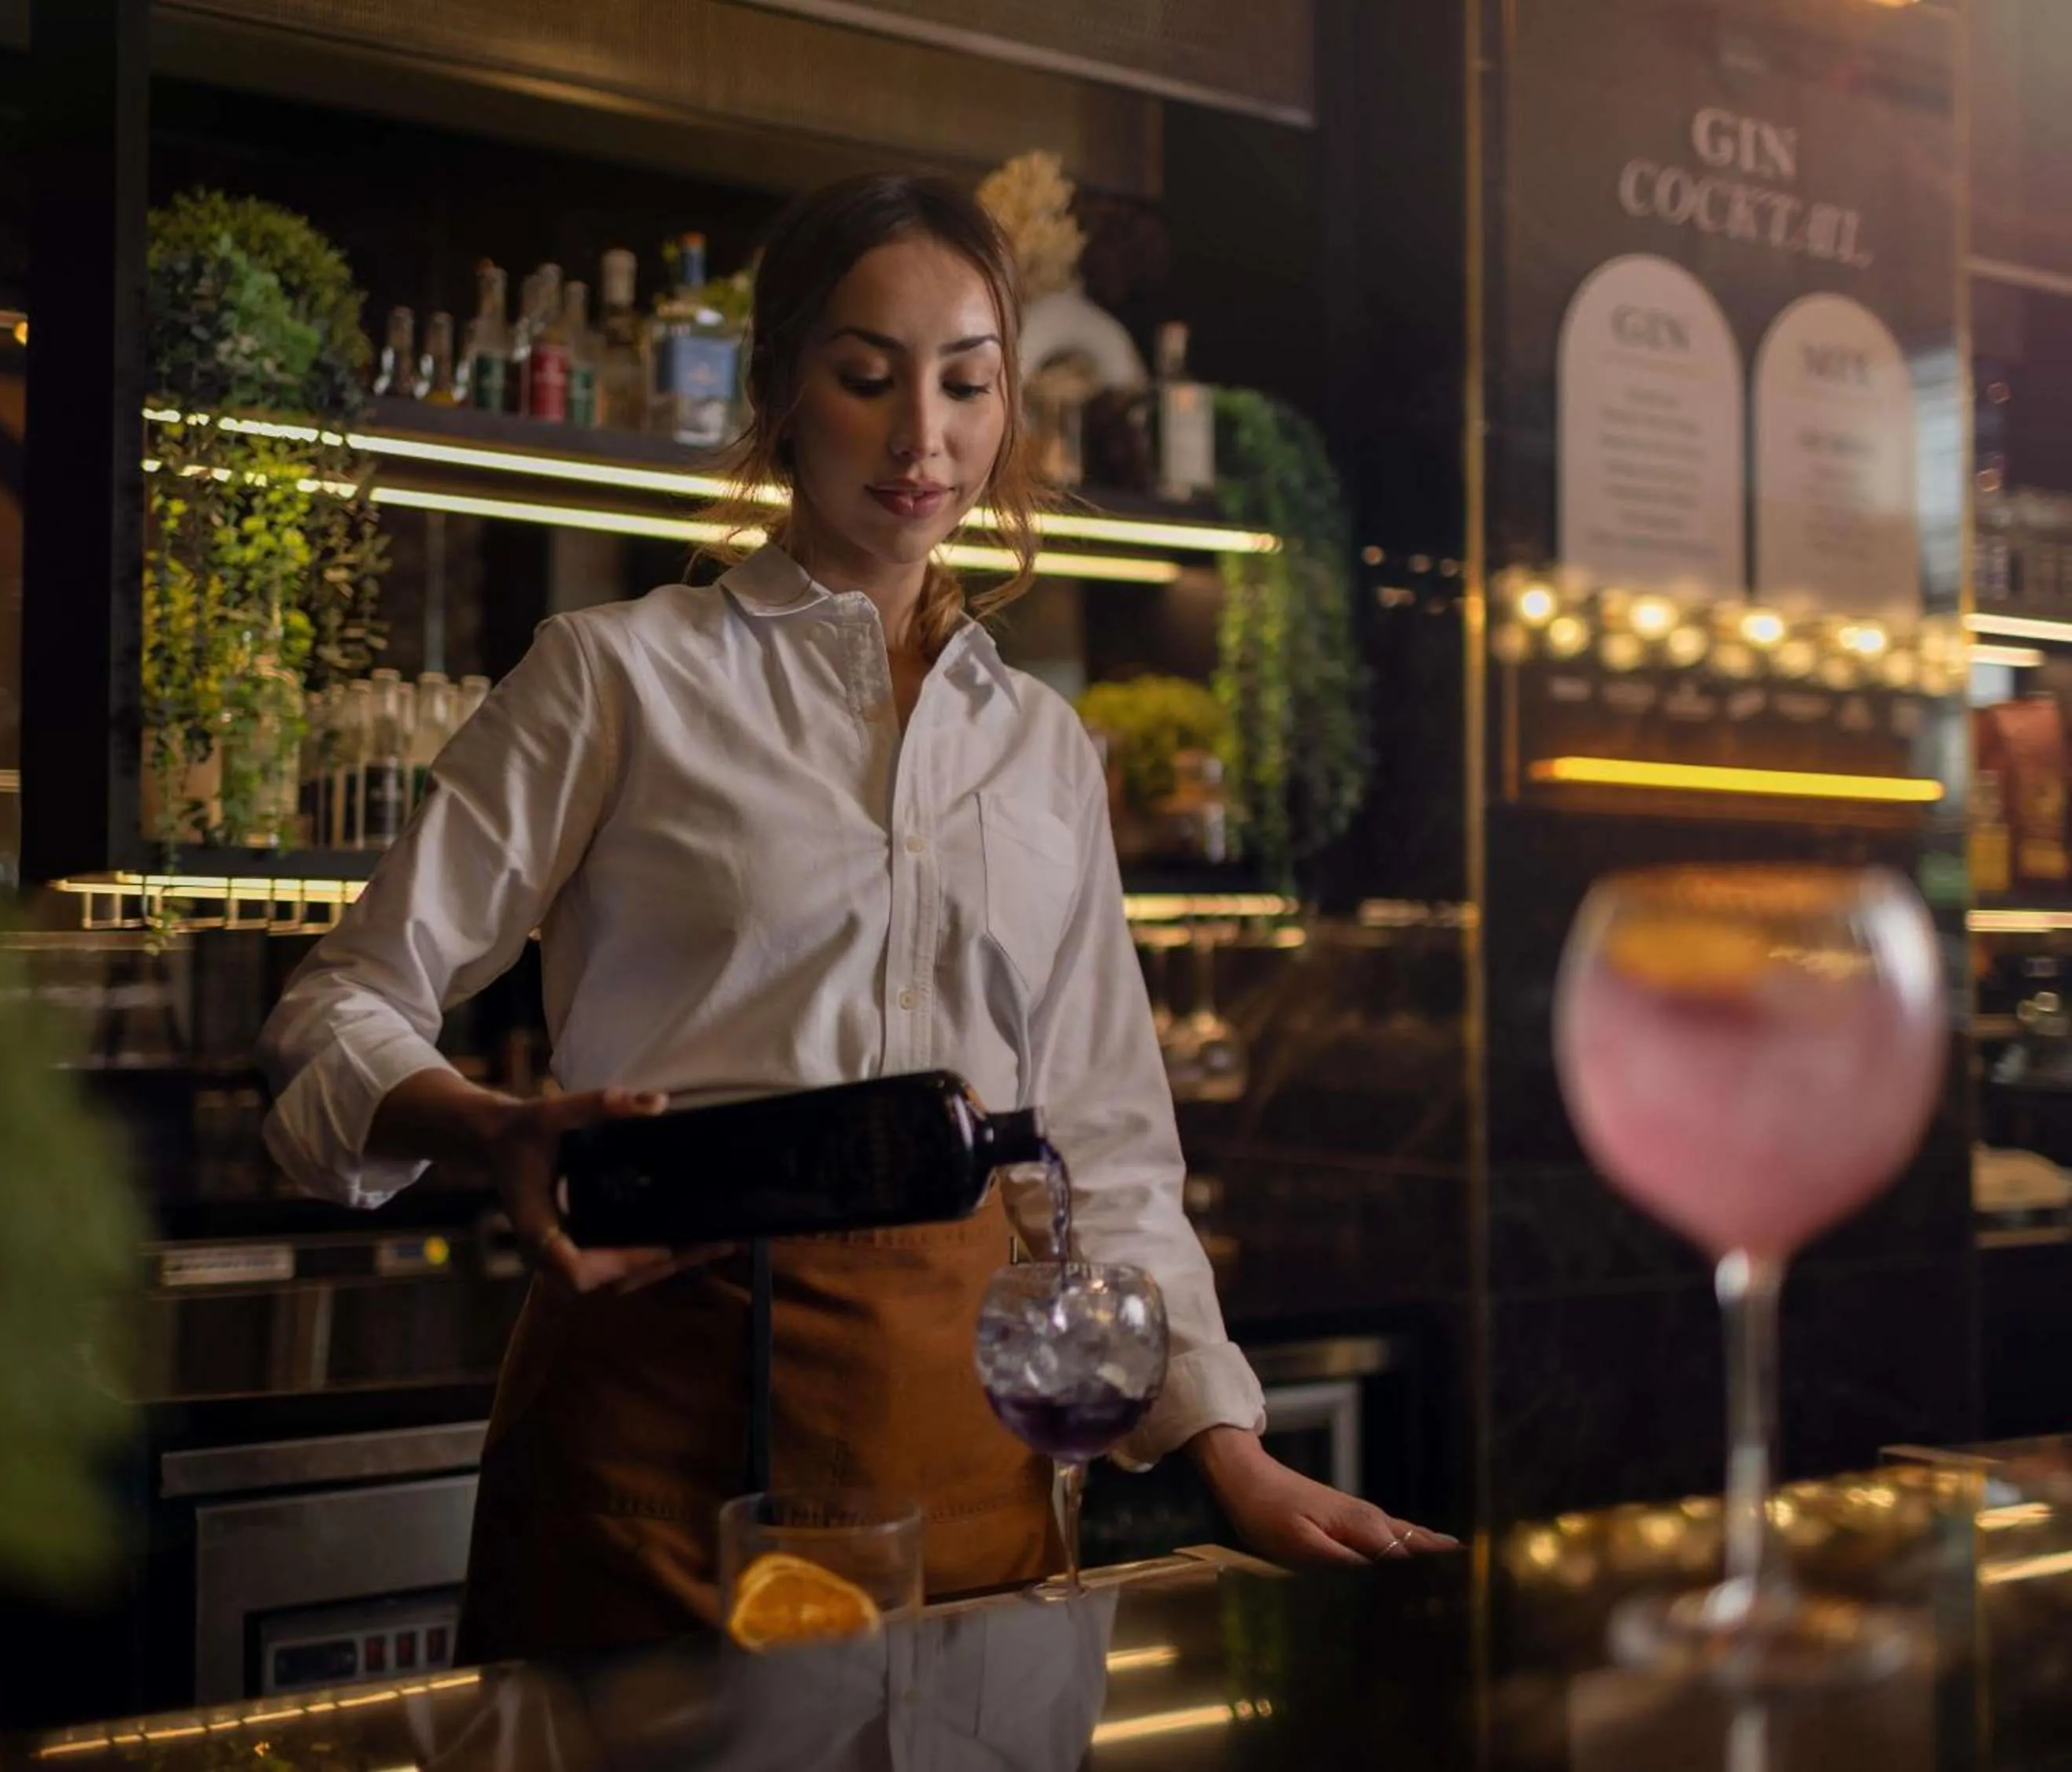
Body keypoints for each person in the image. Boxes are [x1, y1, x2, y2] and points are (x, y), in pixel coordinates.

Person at [258, 172, 1453, 1663]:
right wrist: (492, 1126)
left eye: (967, 383)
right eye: (867, 375)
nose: (922, 438)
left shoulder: (1042, 748)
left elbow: (1103, 1146)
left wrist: (1227, 1444)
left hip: (966, 1455)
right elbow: (337, 1008)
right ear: (780, 390)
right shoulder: (616, 678)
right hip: (656, 1440)